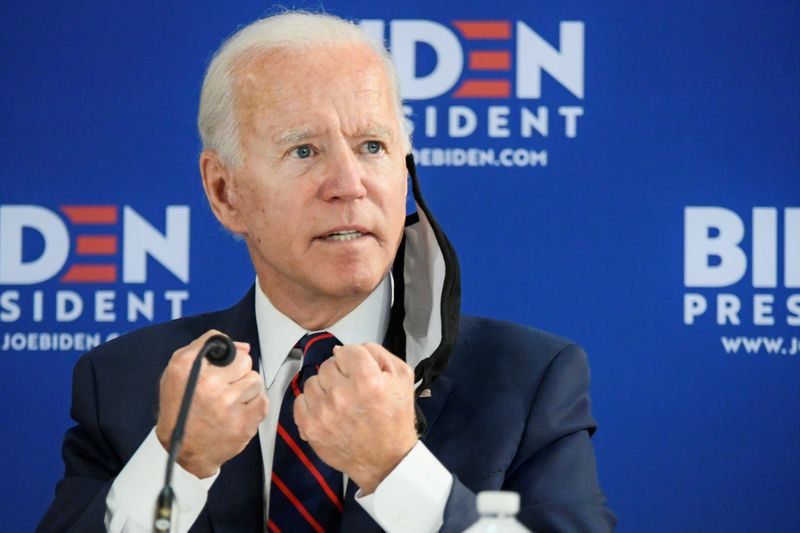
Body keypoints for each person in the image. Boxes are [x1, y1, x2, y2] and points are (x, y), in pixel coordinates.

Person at [38, 11, 615, 533]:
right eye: (304, 151)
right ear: (224, 190)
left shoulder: (529, 380)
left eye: (371, 145)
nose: (349, 184)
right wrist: (176, 463)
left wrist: (398, 470)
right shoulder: (121, 382)